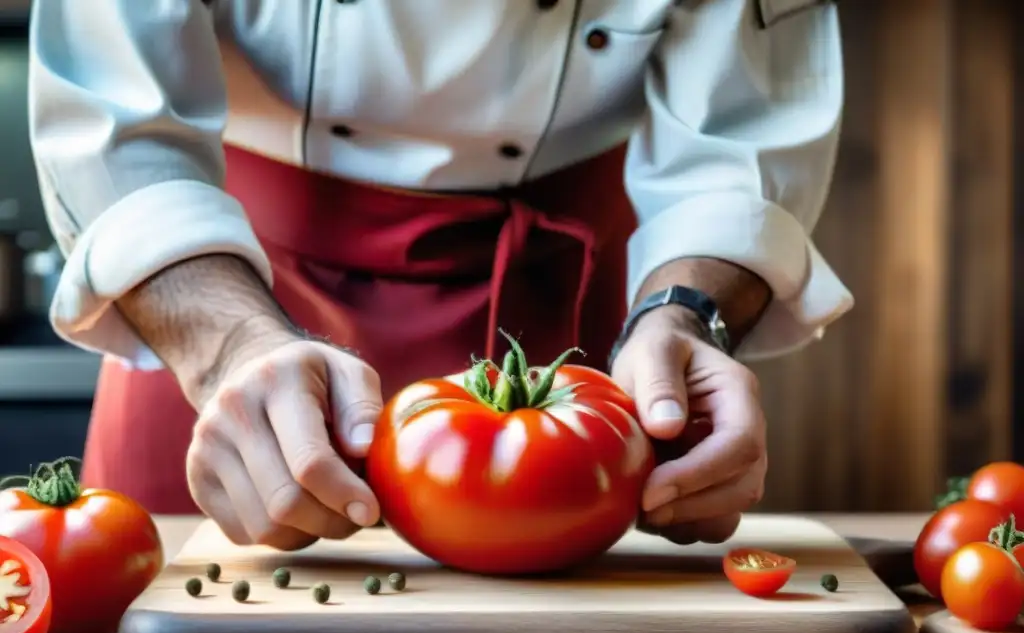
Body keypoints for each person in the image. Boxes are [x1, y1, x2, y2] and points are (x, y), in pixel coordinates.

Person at [28, 0, 852, 552]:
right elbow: (111, 113)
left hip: (581, 326)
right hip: (223, 295)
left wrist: (685, 316)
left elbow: (740, 137)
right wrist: (232, 348)